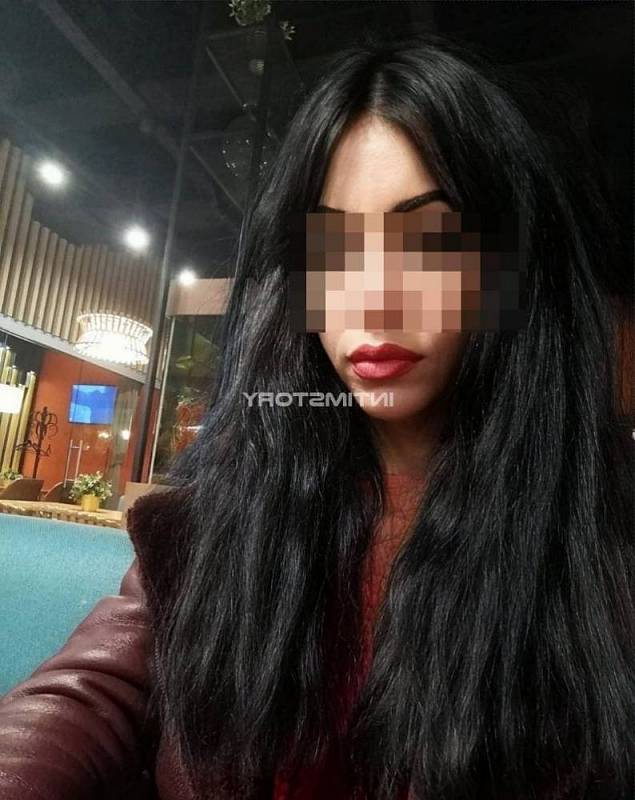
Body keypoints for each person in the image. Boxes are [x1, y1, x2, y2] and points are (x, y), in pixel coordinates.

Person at [0, 31, 632, 800]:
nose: (372, 299)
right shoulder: (228, 505)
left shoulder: (595, 546)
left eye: (428, 240)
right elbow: (95, 692)